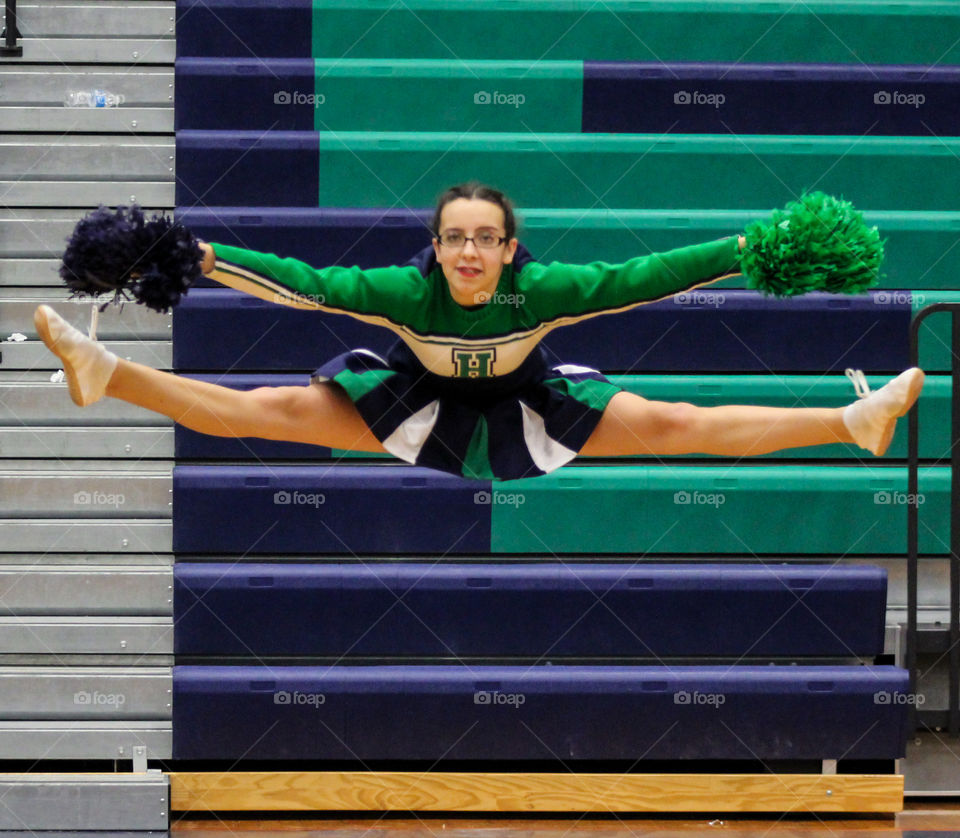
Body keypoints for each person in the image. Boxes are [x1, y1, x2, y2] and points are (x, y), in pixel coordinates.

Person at [35, 182, 924, 481]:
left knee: (678, 422)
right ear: (436, 247)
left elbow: (646, 278)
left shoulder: (545, 291)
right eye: (454, 236)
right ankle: (103, 371)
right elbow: (304, 287)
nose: (469, 249)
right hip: (414, 401)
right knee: (264, 409)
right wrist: (194, 253)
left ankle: (854, 421)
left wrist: (753, 248)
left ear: (508, 249)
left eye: (485, 238)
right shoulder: (402, 291)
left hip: (529, 404)